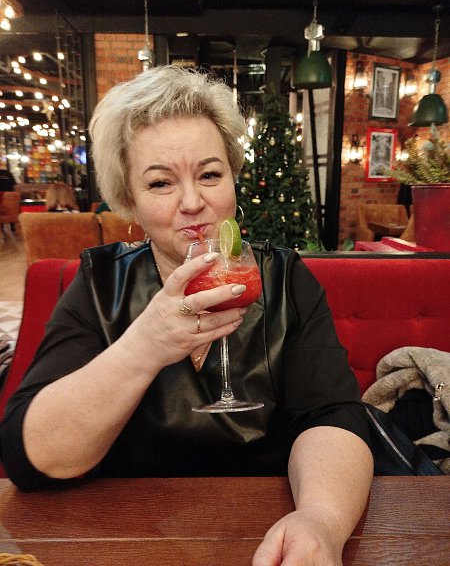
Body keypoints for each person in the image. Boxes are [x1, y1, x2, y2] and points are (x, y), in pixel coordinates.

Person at [0, 66, 373, 565]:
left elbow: (333, 415)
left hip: (264, 533)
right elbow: (30, 457)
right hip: (127, 538)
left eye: (210, 175)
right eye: (160, 183)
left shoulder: (284, 279)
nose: (194, 203)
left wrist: (321, 519)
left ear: (233, 179)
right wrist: (144, 346)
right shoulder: (99, 283)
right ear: (129, 200)